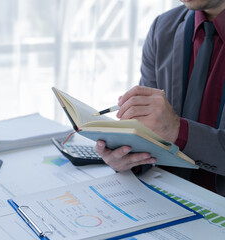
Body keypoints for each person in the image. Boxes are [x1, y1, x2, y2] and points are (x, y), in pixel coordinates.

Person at [95, 0, 225, 196]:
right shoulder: (162, 28)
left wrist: (178, 131)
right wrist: (129, 158)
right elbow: (148, 130)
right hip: (163, 199)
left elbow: (169, 129)